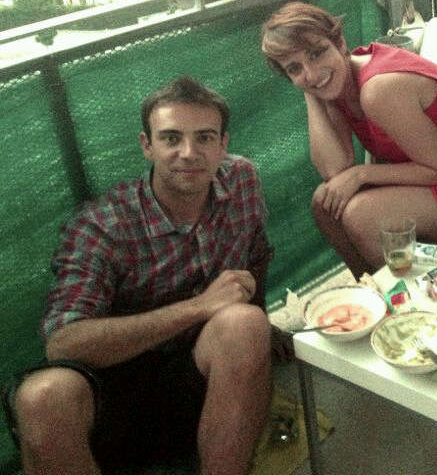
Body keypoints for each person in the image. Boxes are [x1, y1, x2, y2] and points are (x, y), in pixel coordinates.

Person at [2, 77, 273, 475]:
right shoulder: (103, 225)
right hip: (110, 391)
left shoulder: (241, 179)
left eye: (204, 137)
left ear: (223, 144)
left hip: (195, 370)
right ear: (147, 145)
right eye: (171, 138)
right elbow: (63, 342)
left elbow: (257, 253)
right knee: (42, 396)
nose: (189, 153)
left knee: (246, 323)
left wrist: (266, 327)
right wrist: (198, 307)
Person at [260, 2, 437, 277]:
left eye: (317, 53)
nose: (312, 72)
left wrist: (361, 174)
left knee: (361, 215)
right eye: (294, 68)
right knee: (324, 204)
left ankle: (407, 298)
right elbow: (335, 171)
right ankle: (375, 292)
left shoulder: (378, 88)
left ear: (340, 43)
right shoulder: (334, 85)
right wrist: (311, 91)